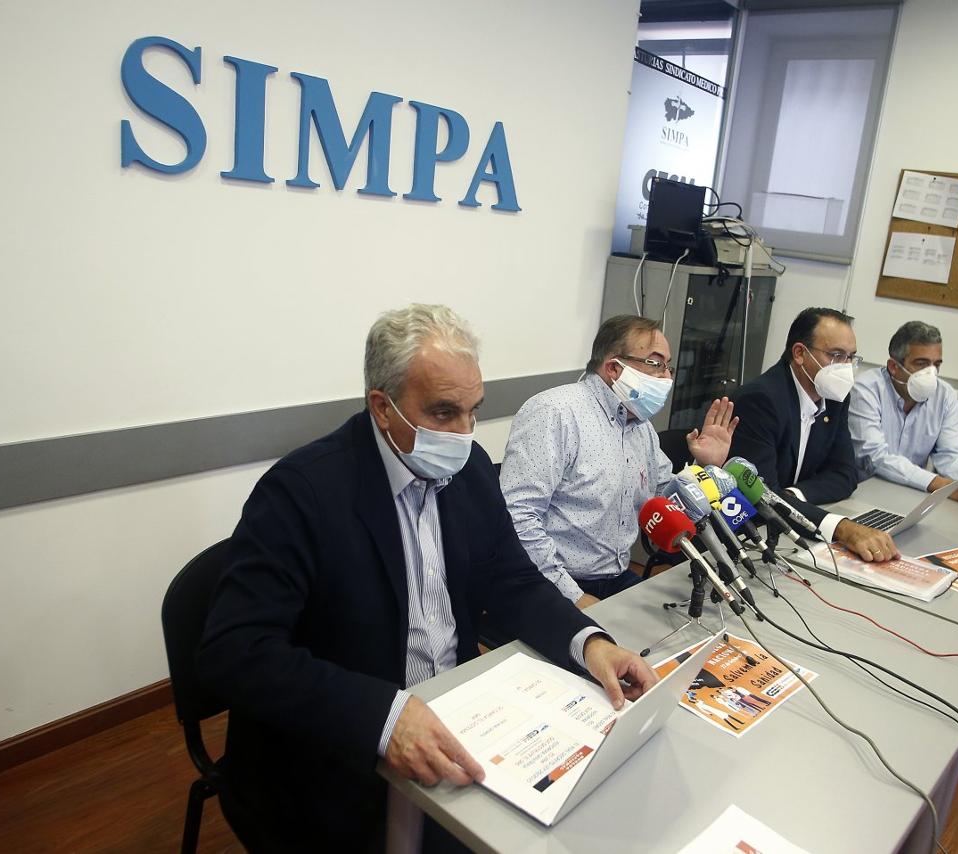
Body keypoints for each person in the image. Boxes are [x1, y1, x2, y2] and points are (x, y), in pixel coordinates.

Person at [197, 304, 657, 852]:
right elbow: (235, 652)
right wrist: (385, 718)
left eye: (473, 411)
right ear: (382, 407)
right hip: (335, 752)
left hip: (457, 719)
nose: (465, 434)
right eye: (443, 413)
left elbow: (513, 580)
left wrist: (589, 643)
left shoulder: (467, 475)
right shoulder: (303, 493)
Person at [500, 315, 737, 607]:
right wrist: (571, 595)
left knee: (669, 634)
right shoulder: (555, 413)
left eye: (668, 366)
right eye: (656, 363)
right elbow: (518, 517)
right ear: (614, 367)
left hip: (615, 578)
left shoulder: (641, 428)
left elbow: (667, 500)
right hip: (549, 581)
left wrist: (707, 468)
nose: (667, 377)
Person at [730, 307, 900, 562]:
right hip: (748, 536)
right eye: (836, 355)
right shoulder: (761, 400)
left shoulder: (834, 398)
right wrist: (842, 528)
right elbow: (762, 496)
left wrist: (793, 495)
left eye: (850, 357)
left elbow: (845, 475)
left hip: (790, 529)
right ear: (800, 353)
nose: (845, 367)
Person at [849, 320, 958, 507]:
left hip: (911, 496)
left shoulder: (944, 395)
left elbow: (951, 453)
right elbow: (875, 458)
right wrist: (945, 486)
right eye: (922, 364)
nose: (931, 373)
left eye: (936, 365)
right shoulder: (865, 390)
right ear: (893, 367)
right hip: (862, 494)